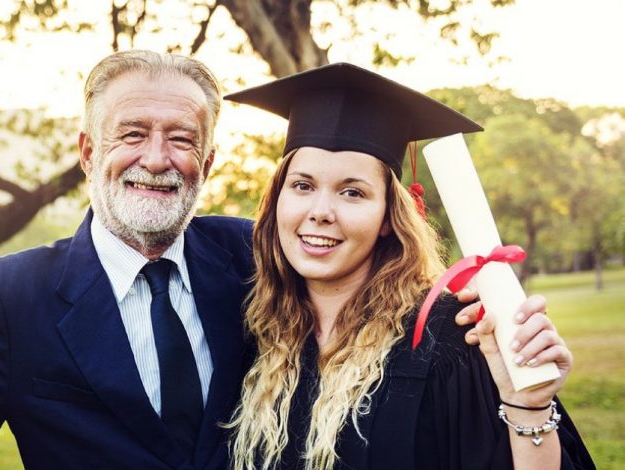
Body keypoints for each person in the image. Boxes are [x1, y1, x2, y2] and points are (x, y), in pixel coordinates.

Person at [0, 50, 255, 469]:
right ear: (89, 153)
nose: (154, 159)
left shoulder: (252, 257)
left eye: (182, 138)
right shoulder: (13, 295)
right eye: (132, 134)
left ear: (206, 163)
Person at [224, 63, 595, 469]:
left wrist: (527, 406)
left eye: (352, 192)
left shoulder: (454, 337)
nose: (320, 212)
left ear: (388, 217)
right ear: (277, 200)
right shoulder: (256, 332)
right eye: (303, 186)